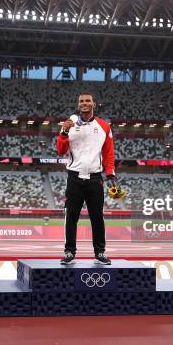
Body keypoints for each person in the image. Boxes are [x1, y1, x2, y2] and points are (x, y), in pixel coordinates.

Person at [56, 92, 120, 265]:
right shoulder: (69, 125)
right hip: (74, 177)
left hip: (94, 178)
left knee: (97, 217)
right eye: (81, 101)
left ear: (94, 104)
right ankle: (69, 252)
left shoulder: (104, 126)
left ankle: (99, 252)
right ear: (78, 105)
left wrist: (111, 174)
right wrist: (63, 132)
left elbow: (108, 153)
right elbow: (61, 150)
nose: (84, 103)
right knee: (71, 216)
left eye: (87, 101)